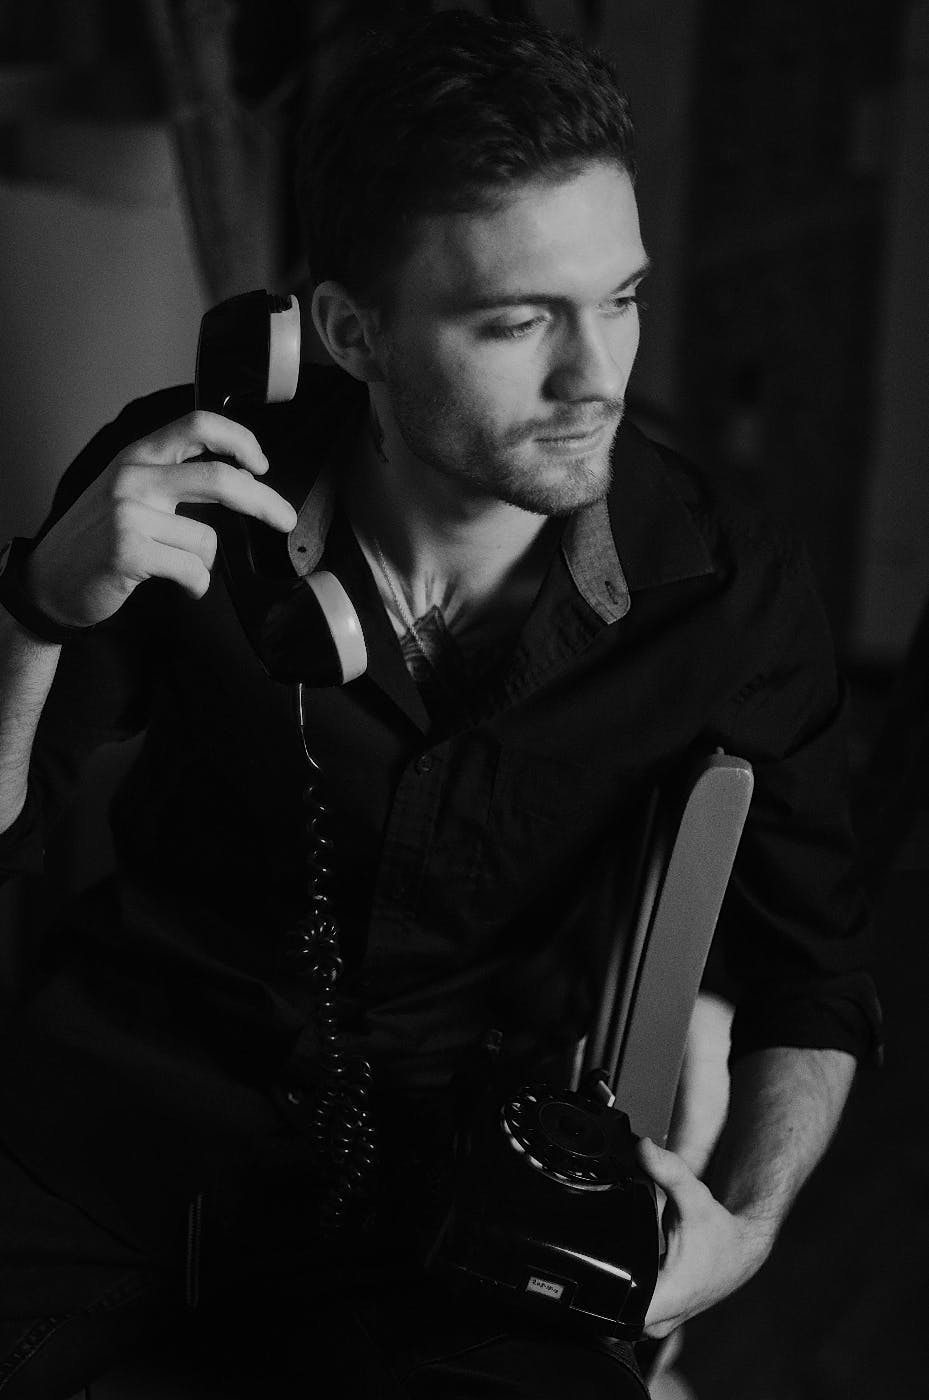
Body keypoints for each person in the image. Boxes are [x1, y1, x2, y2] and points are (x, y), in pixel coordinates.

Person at [0, 11, 879, 1398]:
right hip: (112, 1134)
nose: (596, 379)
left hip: (459, 1205)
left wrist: (746, 1233)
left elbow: (810, 982)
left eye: (623, 300)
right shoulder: (181, 486)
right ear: (347, 334)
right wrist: (37, 609)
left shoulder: (721, 592)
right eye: (518, 321)